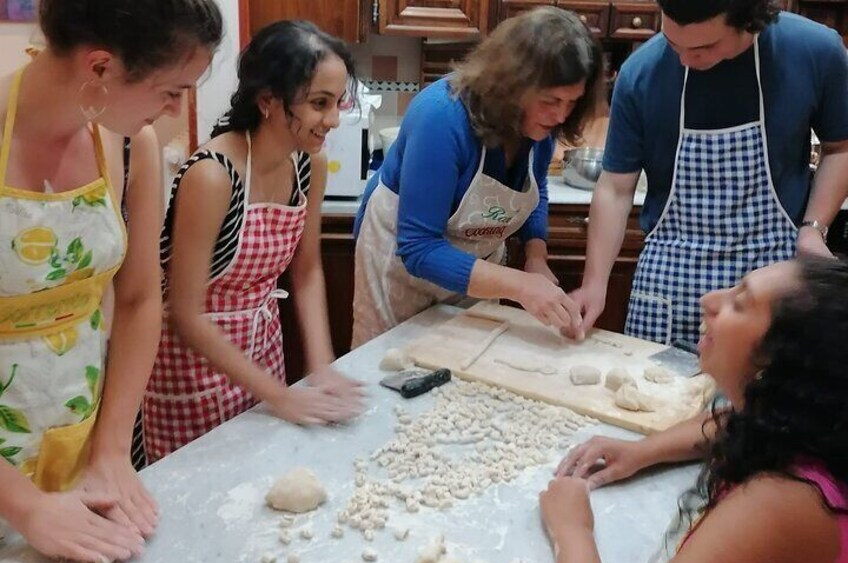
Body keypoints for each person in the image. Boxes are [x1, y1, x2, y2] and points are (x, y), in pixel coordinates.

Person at [0, 0, 223, 562]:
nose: (178, 107)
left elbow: (141, 298)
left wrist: (110, 449)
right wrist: (24, 505)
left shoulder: (129, 144)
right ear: (99, 67)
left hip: (79, 433)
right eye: (171, 90)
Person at [143, 21, 366, 463]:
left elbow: (306, 271)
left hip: (263, 350)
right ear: (268, 100)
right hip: (190, 368)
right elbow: (186, 314)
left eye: (338, 103)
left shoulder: (308, 165)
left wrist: (321, 365)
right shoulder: (211, 175)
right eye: (320, 104)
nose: (334, 120)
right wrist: (279, 397)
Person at [569, 0, 848, 346]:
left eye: (705, 47)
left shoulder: (814, 51)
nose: (686, 59)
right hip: (669, 282)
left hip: (767, 278)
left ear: (751, 22)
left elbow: (841, 148)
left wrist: (813, 229)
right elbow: (615, 188)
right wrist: (596, 282)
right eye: (673, 44)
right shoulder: (641, 72)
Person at [541, 256, 848, 563]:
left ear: (782, 364)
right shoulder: (810, 424)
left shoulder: (780, 502)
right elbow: (731, 420)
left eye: (739, 304)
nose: (710, 300)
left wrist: (572, 529)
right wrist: (643, 450)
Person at [351, 7, 604, 347]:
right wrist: (520, 285)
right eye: (550, 100)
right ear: (513, 84)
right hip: (399, 274)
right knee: (391, 375)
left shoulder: (541, 126)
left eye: (571, 103)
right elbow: (419, 249)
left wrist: (535, 257)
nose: (560, 114)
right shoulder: (441, 117)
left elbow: (533, 189)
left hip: (476, 276)